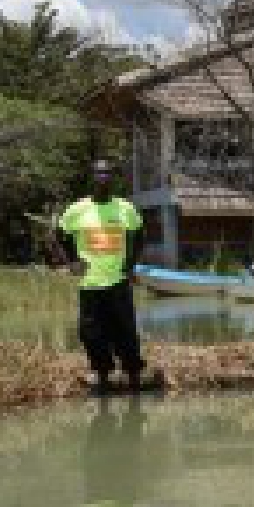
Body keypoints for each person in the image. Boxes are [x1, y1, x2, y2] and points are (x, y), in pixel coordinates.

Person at [55, 158, 158, 396]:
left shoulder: (125, 208)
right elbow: (61, 235)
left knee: (125, 331)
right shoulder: (77, 209)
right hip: (89, 284)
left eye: (108, 173)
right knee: (91, 334)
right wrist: (71, 260)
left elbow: (139, 235)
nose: (104, 177)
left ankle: (133, 376)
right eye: (99, 174)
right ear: (92, 178)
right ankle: (102, 377)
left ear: (113, 178)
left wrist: (130, 264)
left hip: (118, 282)